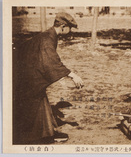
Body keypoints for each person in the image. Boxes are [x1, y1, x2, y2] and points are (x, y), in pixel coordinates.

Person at [13, 12, 83, 144]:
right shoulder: (47, 39)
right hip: (26, 75)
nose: (70, 32)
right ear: (62, 26)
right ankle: (33, 137)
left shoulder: (49, 35)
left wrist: (63, 77)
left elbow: (47, 61)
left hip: (29, 72)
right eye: (70, 28)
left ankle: (47, 133)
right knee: (32, 104)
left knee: (41, 102)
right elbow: (51, 62)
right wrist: (72, 75)